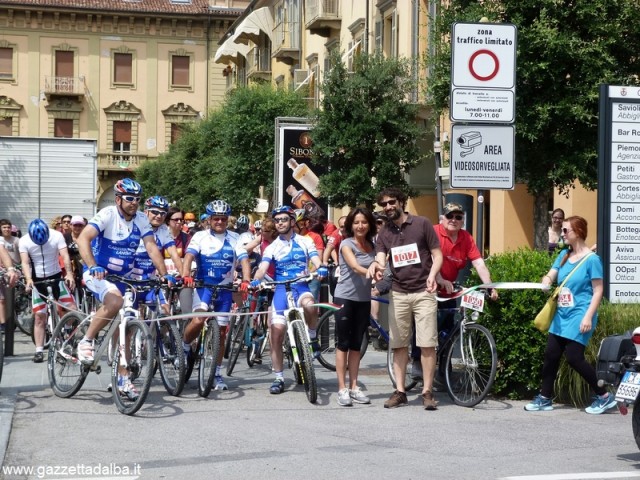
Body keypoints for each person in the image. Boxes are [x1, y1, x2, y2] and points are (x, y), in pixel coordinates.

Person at [76, 178, 173, 400]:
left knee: (126, 328)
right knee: (115, 302)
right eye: (129, 199)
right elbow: (83, 239)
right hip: (99, 272)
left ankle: (123, 378)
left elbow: (151, 247)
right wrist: (93, 266)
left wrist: (164, 274)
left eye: (137, 199)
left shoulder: (140, 219)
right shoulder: (108, 214)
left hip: (124, 277)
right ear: (118, 199)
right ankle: (87, 340)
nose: (134, 203)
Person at [525, 215, 613, 414]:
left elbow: (598, 290)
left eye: (566, 230)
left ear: (578, 232)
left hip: (580, 314)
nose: (562, 233)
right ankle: (545, 398)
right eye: (562, 230)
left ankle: (604, 396)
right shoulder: (564, 254)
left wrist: (588, 317)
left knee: (574, 357)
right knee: (551, 354)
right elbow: (552, 273)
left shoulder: (592, 260)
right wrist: (546, 280)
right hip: (561, 314)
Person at [367, 187, 443, 410]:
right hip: (399, 292)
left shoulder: (422, 224)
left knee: (428, 343)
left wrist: (432, 276)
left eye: (391, 202)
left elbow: (437, 255)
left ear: (401, 202)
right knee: (399, 344)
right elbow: (381, 258)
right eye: (384, 205)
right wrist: (377, 266)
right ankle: (400, 391)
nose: (388, 207)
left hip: (424, 291)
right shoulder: (385, 233)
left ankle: (427, 392)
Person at [250, 206, 328, 395]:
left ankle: (311, 336)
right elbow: (263, 267)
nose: (281, 223)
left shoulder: (305, 241)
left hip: (301, 286)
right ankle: (278, 377)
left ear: (292, 221)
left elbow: (315, 259)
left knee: (310, 305)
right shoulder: (273, 246)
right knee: (276, 333)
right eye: (277, 221)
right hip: (280, 291)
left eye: (284, 219)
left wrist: (321, 268)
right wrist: (256, 278)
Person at [181, 200, 251, 392]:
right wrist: (186, 276)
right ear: (209, 220)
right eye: (216, 219)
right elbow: (188, 257)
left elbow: (244, 260)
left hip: (225, 290)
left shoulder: (236, 237)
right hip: (204, 287)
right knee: (197, 321)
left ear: (227, 220)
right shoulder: (200, 237)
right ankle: (185, 347)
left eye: (223, 218)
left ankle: (217, 373)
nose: (219, 222)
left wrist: (246, 280)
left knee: (221, 332)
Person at [333, 207, 376, 406]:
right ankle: (342, 388)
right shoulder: (346, 244)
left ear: (369, 225)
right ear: (351, 225)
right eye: (357, 222)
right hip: (345, 298)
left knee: (356, 345)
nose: (360, 226)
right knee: (343, 343)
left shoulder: (373, 246)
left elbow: (382, 264)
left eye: (364, 222)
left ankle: (354, 387)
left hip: (364, 299)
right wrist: (373, 273)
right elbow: (355, 267)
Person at [19, 219, 76, 362]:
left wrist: (68, 274)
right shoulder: (24, 240)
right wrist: (28, 279)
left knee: (72, 309)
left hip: (56, 277)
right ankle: (39, 350)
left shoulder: (56, 235)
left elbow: (65, 256)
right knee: (39, 316)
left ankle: (67, 331)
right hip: (37, 281)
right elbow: (25, 262)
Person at [131, 196, 184, 315]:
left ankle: (162, 333)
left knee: (165, 313)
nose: (159, 216)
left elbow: (174, 254)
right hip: (130, 282)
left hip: (150, 281)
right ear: (146, 212)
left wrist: (184, 276)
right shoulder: (135, 225)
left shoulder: (164, 230)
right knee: (128, 323)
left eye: (162, 213)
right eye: (155, 212)